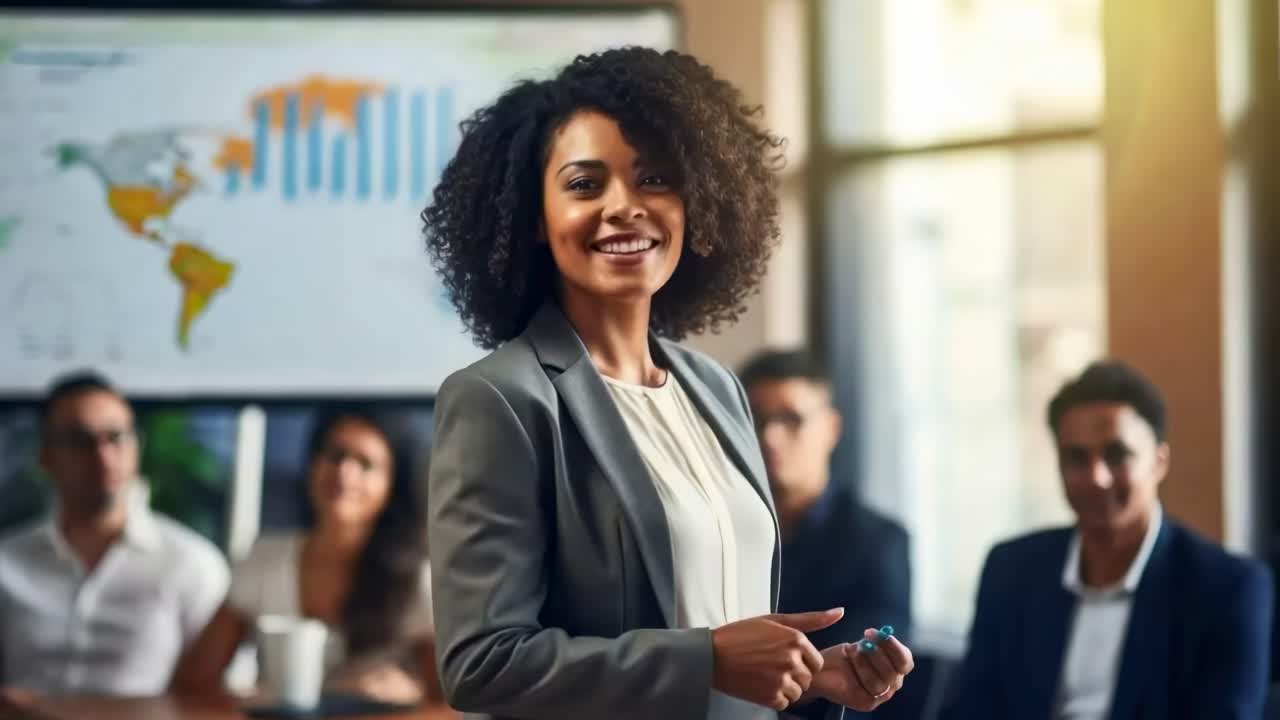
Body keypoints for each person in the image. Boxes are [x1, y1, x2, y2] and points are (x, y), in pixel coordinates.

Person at [423, 47, 914, 720]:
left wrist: (811, 674)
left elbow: (730, 632)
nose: (624, 207)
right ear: (533, 217)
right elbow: (481, 664)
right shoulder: (501, 399)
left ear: (696, 200)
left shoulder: (714, 387)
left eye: (654, 178)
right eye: (585, 184)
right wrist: (705, 657)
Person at [941, 361, 1274, 719]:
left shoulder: (1229, 589)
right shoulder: (1012, 569)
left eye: (1117, 455)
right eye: (1076, 458)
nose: (1096, 477)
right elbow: (970, 710)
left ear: (1159, 462)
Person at [173, 408, 439, 706]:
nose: (344, 473)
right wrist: (248, 701)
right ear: (312, 465)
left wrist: (411, 693)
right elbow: (193, 680)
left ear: (391, 486)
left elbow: (448, 699)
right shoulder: (265, 559)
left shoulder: (416, 580)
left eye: (365, 464)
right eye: (335, 455)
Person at [0, 371, 229, 697]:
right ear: (45, 456)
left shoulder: (192, 563)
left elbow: (221, 694)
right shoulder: (7, 561)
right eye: (80, 441)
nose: (102, 457)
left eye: (116, 437)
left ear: (137, 448)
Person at [739, 350, 912, 719]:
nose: (770, 437)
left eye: (792, 419)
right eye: (756, 420)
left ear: (831, 428)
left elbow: (867, 666)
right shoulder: (719, 533)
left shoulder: (879, 542)